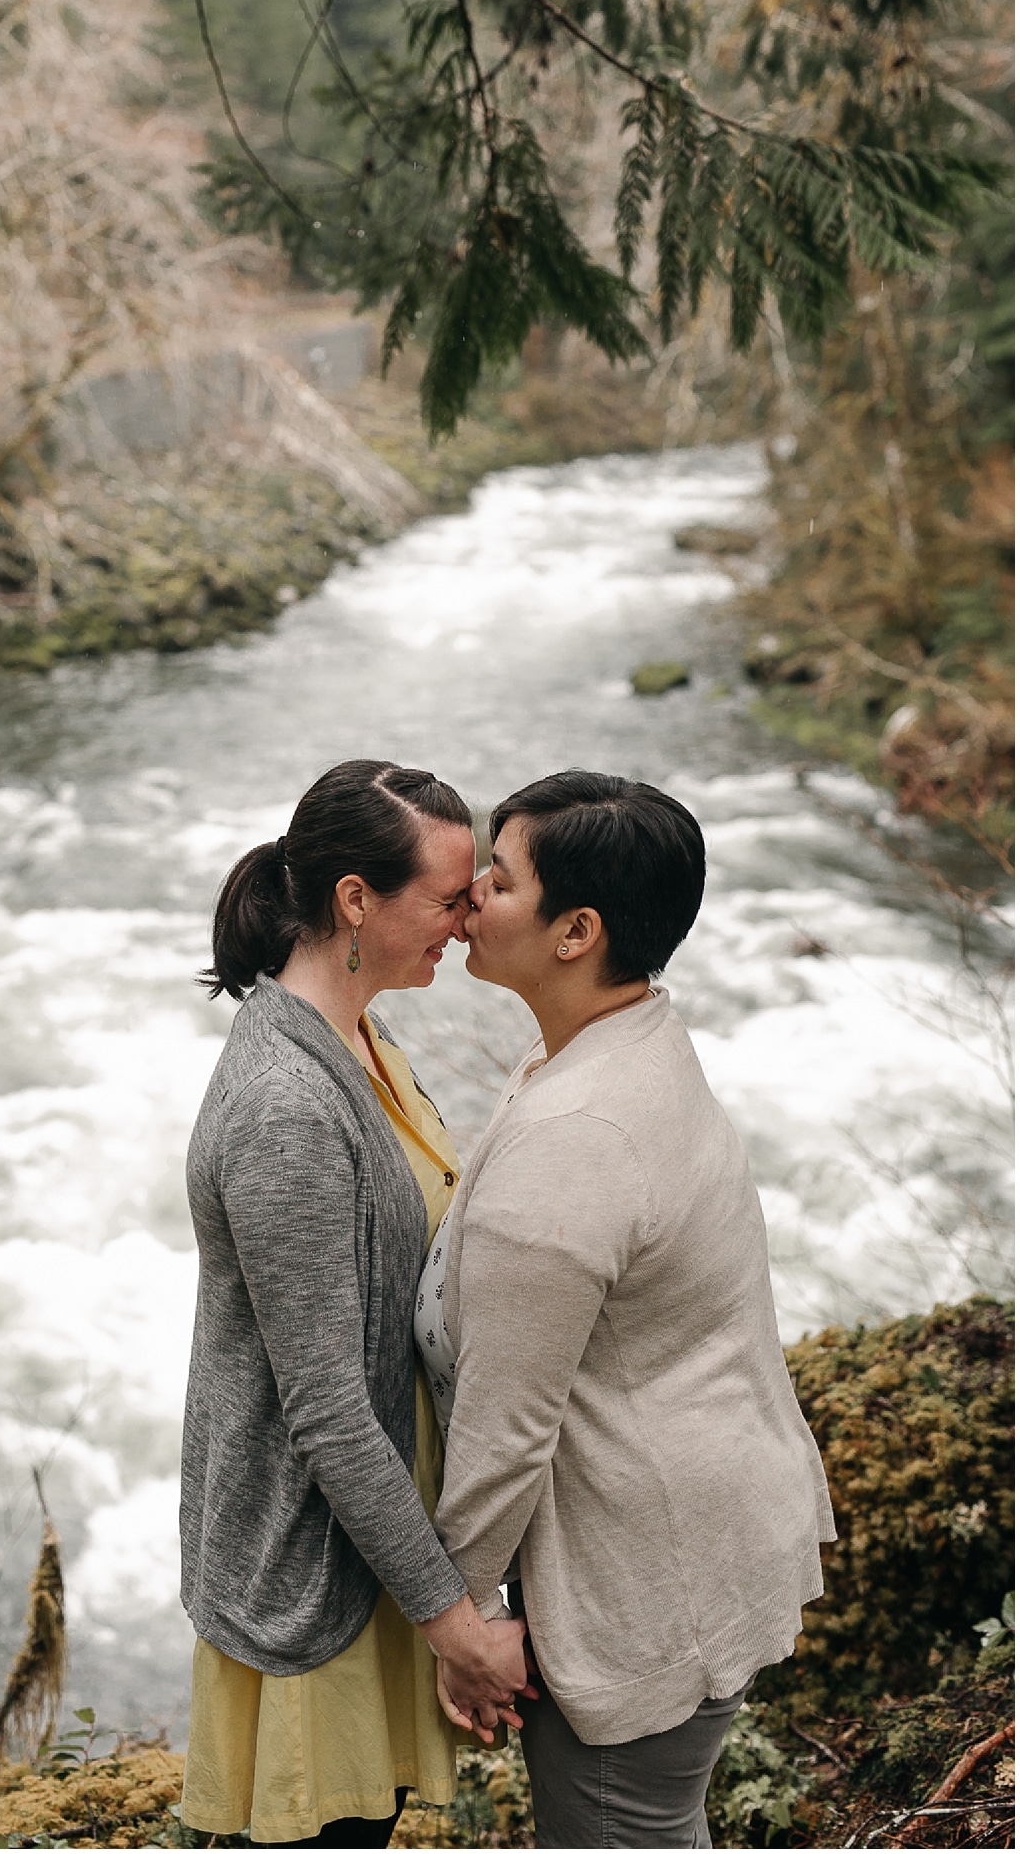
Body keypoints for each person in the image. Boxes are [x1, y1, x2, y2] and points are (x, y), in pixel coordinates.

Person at [419, 770, 836, 1850]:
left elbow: (508, 1426)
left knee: (617, 1828)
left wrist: (464, 1618)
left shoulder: (577, 1137)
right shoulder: (632, 1035)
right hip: (710, 1522)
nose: (467, 896)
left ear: (577, 932)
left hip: (643, 1572)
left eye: (497, 881)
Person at [179, 759, 529, 1849]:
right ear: (354, 901)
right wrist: (455, 1625)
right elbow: (326, 1405)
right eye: (447, 893)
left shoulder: (364, 1037)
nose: (468, 915)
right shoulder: (287, 1105)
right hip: (309, 1575)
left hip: (371, 1548)